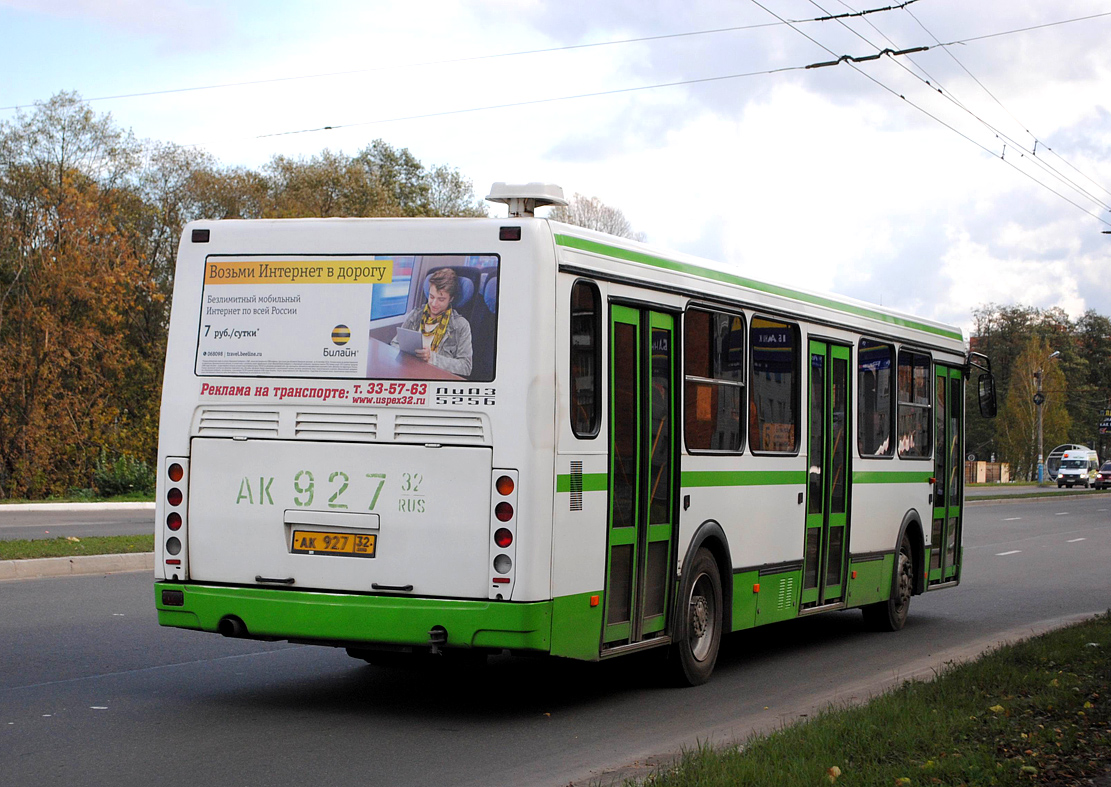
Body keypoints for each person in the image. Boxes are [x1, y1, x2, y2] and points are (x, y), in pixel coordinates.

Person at [392, 267, 473, 376]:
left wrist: (432, 358)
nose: (434, 304)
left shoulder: (461, 325)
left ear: (451, 299)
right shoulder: (415, 315)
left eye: (441, 299)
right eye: (431, 297)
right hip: (410, 371)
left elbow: (466, 367)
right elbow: (394, 343)